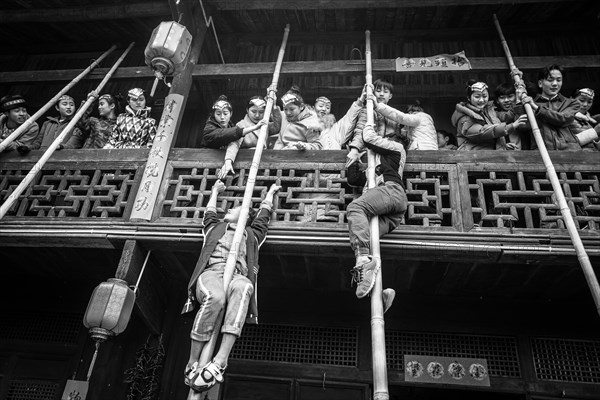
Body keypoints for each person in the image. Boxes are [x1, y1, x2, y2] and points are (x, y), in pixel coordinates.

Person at [182, 181, 281, 392]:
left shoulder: (252, 235)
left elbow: (263, 216)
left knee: (245, 287)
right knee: (215, 298)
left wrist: (271, 193)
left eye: (235, 208)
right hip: (212, 273)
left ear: (245, 216)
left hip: (237, 275)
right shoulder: (215, 227)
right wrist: (215, 192)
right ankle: (193, 362)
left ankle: (220, 361)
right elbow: (209, 212)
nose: (229, 209)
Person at [345, 99, 408, 301]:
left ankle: (362, 260)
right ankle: (380, 295)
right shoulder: (377, 166)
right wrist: (355, 159)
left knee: (355, 208)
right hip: (390, 207)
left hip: (391, 192)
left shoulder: (397, 148)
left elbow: (369, 137)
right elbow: (354, 179)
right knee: (369, 240)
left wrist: (368, 123)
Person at [451, 80, 528, 151]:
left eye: (484, 96)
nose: (481, 100)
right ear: (469, 98)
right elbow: (482, 132)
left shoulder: (488, 110)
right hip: (472, 158)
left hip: (489, 155)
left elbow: (506, 116)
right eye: (477, 97)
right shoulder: (464, 116)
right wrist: (511, 126)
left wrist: (503, 146)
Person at [218, 95, 281, 179]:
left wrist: (273, 105)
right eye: (253, 111)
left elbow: (277, 127)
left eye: (261, 112)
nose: (257, 115)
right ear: (247, 110)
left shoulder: (265, 125)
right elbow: (234, 144)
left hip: (262, 164)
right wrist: (228, 160)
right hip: (246, 165)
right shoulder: (241, 125)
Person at [521, 64, 582, 151]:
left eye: (559, 80)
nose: (555, 84)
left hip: (570, 151)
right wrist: (519, 99)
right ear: (540, 83)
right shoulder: (529, 105)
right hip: (541, 152)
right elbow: (522, 126)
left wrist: (537, 108)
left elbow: (563, 118)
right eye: (550, 80)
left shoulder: (571, 103)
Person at [346, 79, 403, 166]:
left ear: (390, 96)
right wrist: (355, 149)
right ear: (373, 93)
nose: (381, 94)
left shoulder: (394, 116)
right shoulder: (368, 110)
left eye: (385, 92)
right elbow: (360, 129)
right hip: (369, 154)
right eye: (378, 91)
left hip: (388, 157)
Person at [200, 95, 265, 150]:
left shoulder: (231, 127)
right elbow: (222, 134)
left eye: (225, 114)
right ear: (214, 115)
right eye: (218, 114)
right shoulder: (208, 129)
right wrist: (253, 128)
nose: (222, 117)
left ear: (231, 114)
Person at [273, 86, 322, 150]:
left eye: (292, 109)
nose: (288, 113)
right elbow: (274, 119)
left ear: (301, 106)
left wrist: (304, 146)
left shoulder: (311, 123)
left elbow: (317, 146)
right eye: (285, 109)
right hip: (278, 154)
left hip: (299, 156)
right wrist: (272, 103)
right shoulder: (283, 116)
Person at [493, 82, 527, 150]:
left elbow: (524, 126)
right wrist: (517, 103)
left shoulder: (522, 109)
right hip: (502, 151)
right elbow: (506, 117)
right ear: (497, 100)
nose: (506, 100)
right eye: (502, 98)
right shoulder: (495, 114)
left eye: (510, 96)